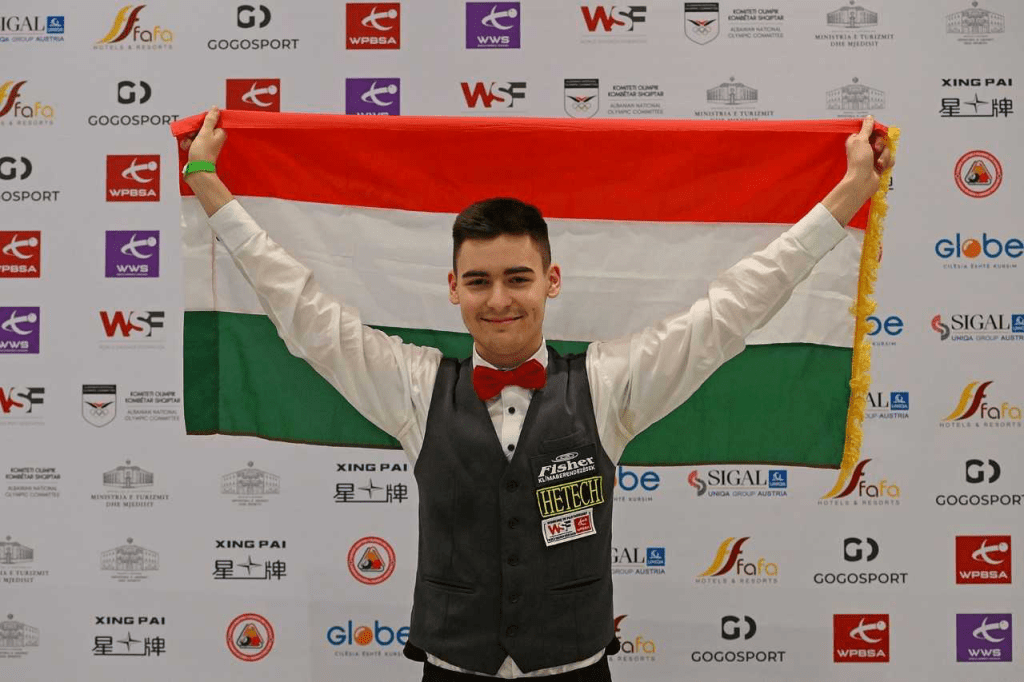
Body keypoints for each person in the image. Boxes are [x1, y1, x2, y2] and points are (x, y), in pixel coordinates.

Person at [180, 108, 894, 681]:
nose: (499, 300)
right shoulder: (413, 387)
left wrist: (847, 196)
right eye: (479, 281)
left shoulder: (609, 385)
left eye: (518, 278)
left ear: (551, 282)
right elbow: (303, 312)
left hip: (577, 670)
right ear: (453, 289)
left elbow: (732, 310)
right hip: (451, 668)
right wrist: (210, 186)